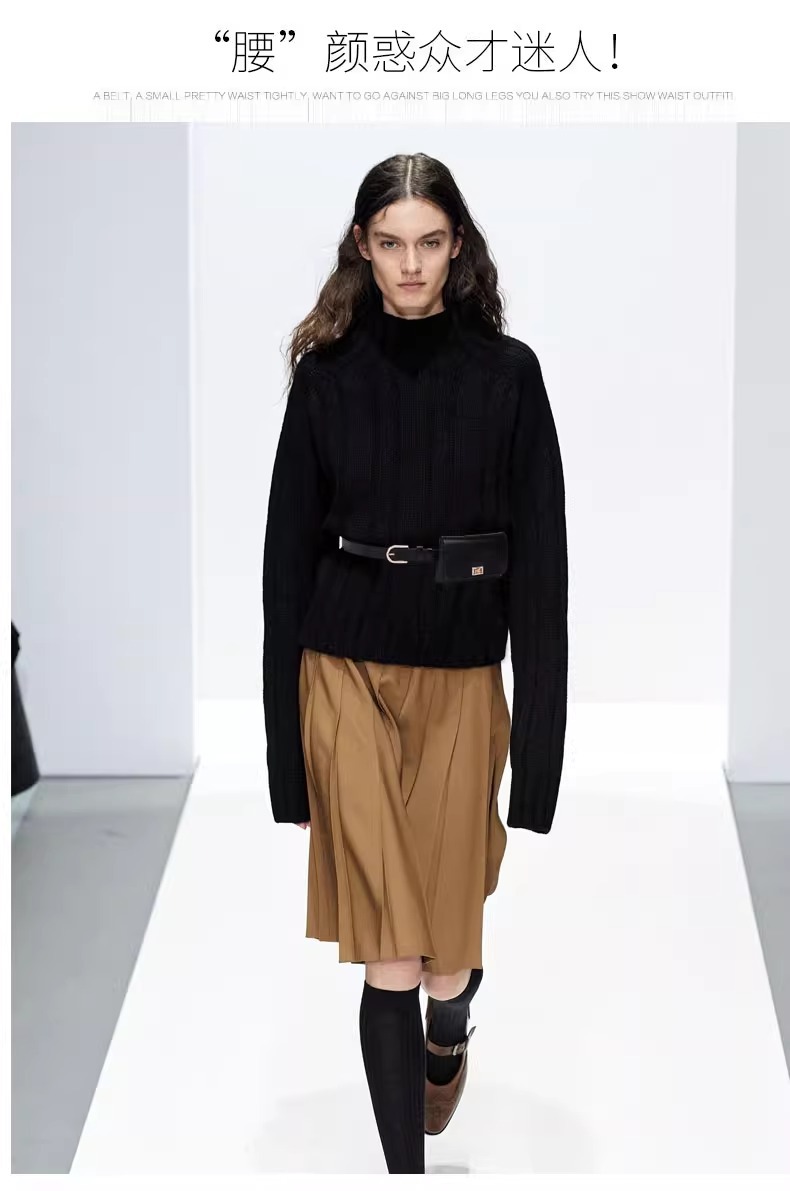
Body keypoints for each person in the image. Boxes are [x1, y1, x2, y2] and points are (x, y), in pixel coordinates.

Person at [262, 152, 568, 1174]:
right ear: (361, 246)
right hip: (341, 669)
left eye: (428, 242)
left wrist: (540, 766)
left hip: (460, 677)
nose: (409, 265)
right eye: (390, 243)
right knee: (391, 953)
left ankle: (451, 1027)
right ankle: (405, 1174)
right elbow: (282, 569)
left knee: (442, 960)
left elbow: (544, 576)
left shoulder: (507, 377)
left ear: (457, 246)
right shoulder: (327, 378)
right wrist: (284, 761)